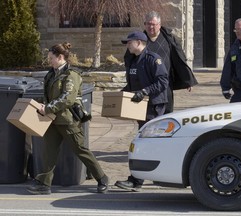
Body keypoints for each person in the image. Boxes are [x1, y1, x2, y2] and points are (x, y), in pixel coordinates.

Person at [26, 42, 109, 195]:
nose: (49, 60)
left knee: (80, 150)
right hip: (52, 119)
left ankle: (102, 178)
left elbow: (67, 98)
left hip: (68, 119)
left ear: (60, 57)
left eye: (51, 58)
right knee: (48, 152)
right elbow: (49, 95)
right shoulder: (51, 74)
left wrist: (48, 108)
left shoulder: (72, 75)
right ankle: (44, 183)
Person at [114, 31, 169, 191]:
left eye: (129, 42)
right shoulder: (133, 61)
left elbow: (163, 81)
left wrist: (145, 91)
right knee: (149, 143)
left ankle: (136, 181)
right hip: (141, 107)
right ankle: (159, 175)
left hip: (153, 106)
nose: (127, 45)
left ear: (138, 42)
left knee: (146, 143)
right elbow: (133, 86)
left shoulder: (153, 59)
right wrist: (122, 93)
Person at [124, 11, 198, 114]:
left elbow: (179, 59)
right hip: (146, 85)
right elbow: (130, 62)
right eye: (148, 24)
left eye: (153, 24)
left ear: (159, 25)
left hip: (165, 83)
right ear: (144, 25)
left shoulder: (168, 39)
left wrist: (187, 79)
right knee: (147, 117)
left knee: (167, 115)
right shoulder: (139, 40)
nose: (151, 27)